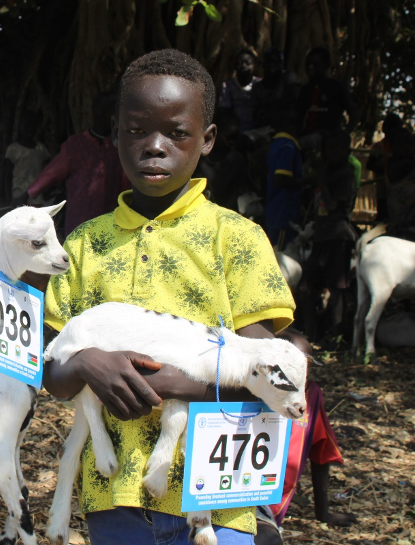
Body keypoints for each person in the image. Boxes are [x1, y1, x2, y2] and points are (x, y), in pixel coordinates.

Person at [43, 49, 295, 545]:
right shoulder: (84, 244)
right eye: (137, 130)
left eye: (177, 133)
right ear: (114, 135)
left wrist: (181, 383)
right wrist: (87, 363)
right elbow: (53, 372)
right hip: (113, 495)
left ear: (207, 139)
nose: (154, 146)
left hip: (218, 496)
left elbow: (266, 372)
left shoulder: (237, 240)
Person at [255, 329, 355, 545]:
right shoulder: (249, 389)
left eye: (306, 367)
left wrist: (323, 513)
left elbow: (321, 452)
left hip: (271, 506)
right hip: (242, 494)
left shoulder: (310, 395)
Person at [27, 93, 128, 238]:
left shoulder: (119, 149)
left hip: (112, 227)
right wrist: (30, 193)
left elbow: (126, 188)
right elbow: (50, 174)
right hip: (78, 227)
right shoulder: (75, 146)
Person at [303, 129, 357, 343]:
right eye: (330, 148)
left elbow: (335, 205)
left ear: (347, 151)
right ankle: (312, 334)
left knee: (337, 288)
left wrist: (323, 182)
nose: (333, 153)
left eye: (339, 149)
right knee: (307, 287)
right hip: (321, 236)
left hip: (338, 236)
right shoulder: (326, 172)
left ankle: (336, 337)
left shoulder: (345, 176)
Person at [265, 111, 311, 249]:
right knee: (280, 251)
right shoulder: (288, 146)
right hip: (283, 211)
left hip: (276, 208)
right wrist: (307, 181)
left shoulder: (277, 143)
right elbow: (279, 179)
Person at [296, 48, 355, 148]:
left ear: (325, 66)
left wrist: (344, 134)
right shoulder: (305, 90)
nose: (310, 67)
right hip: (308, 134)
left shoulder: (336, 87)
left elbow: (353, 112)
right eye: (308, 64)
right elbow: (299, 117)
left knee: (300, 144)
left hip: (328, 136)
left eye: (315, 64)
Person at [251, 48, 300, 129]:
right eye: (268, 61)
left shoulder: (289, 77)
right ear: (263, 65)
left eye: (276, 62)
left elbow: (295, 102)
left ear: (282, 64)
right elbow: (256, 116)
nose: (272, 65)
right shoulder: (257, 88)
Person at [218, 48, 261, 132]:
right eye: (240, 63)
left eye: (247, 63)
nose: (244, 66)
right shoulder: (227, 85)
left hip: (256, 127)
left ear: (254, 65)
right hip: (234, 128)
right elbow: (224, 110)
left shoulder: (259, 84)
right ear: (234, 65)